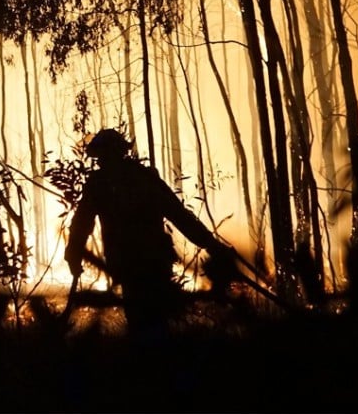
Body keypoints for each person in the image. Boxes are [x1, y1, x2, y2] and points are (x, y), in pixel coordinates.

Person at [64, 128, 238, 337]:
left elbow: (178, 215)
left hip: (137, 263)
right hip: (149, 262)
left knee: (145, 323)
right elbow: (179, 215)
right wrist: (212, 244)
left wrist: (74, 252)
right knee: (152, 322)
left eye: (102, 156)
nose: (101, 161)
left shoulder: (106, 184)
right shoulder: (138, 179)